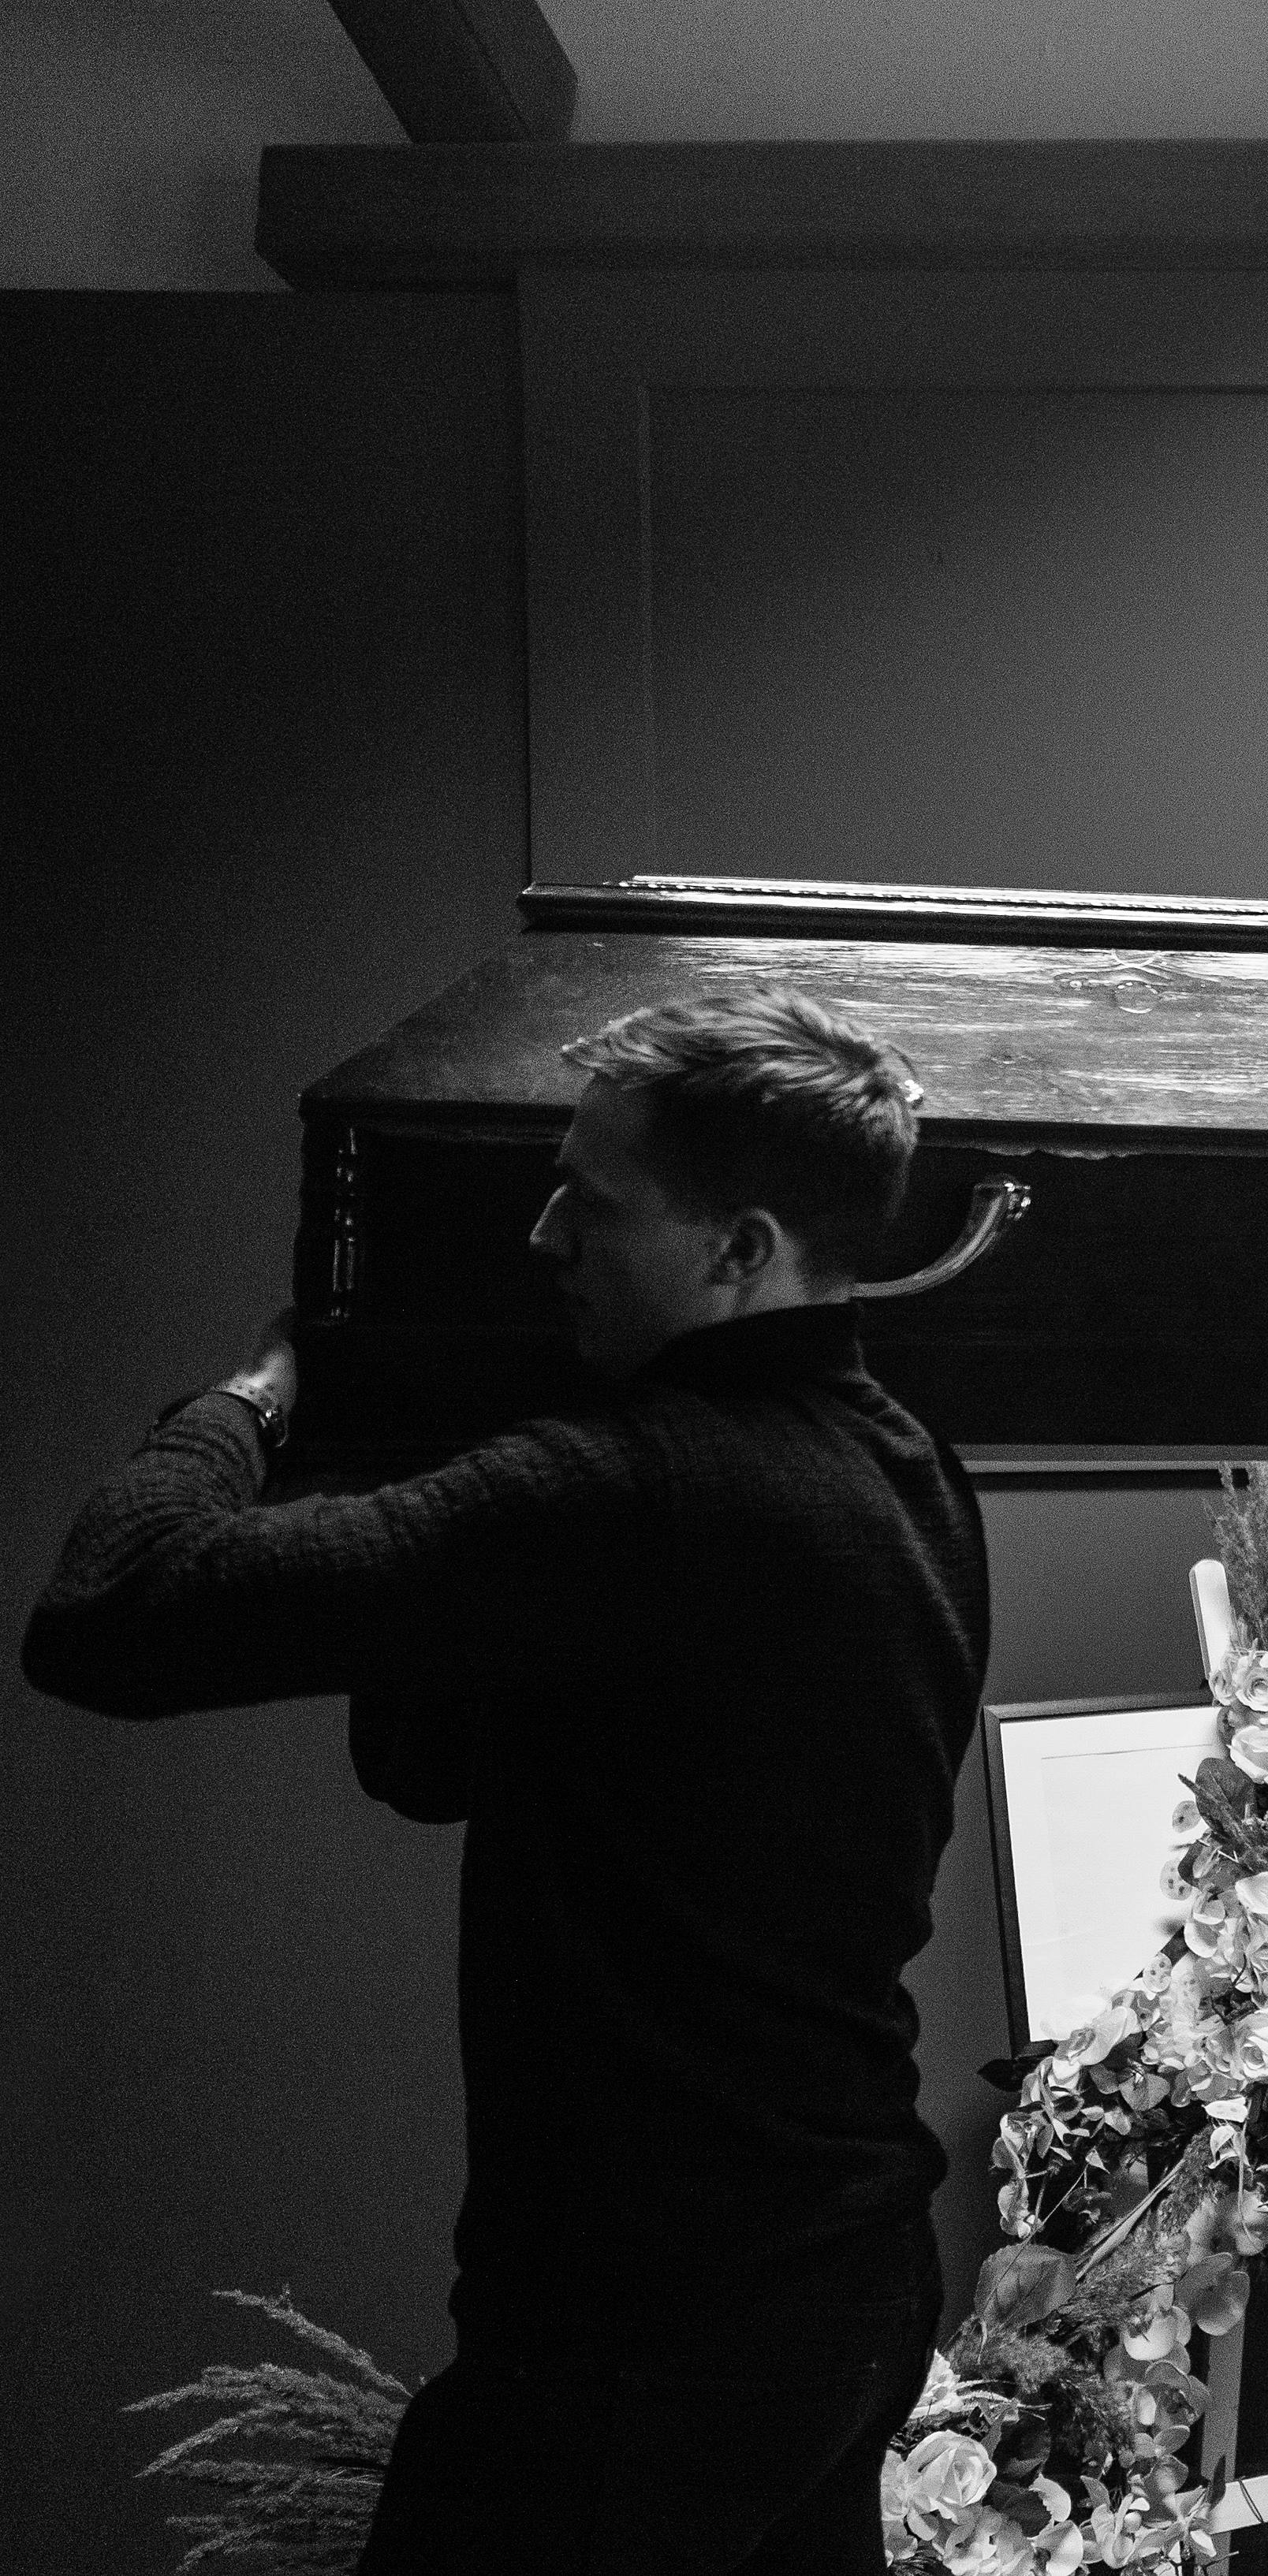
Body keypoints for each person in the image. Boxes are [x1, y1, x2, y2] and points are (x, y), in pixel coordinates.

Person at [24, 991, 988, 2576]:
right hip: (844, 2292)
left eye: (593, 1201)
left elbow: (114, 1603)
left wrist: (258, 1399)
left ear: (741, 1249)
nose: (544, 1232)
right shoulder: (905, 1469)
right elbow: (441, 1757)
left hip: (640, 2345)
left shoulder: (629, 1492)